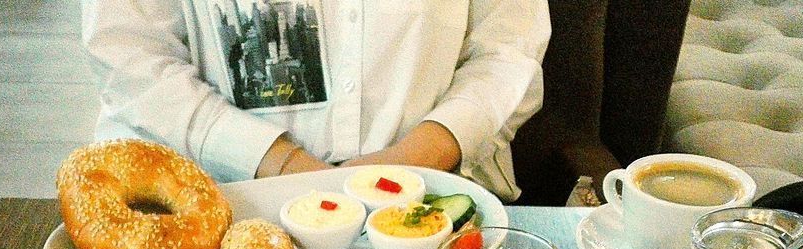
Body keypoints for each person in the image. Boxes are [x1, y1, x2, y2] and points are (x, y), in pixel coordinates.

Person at [80, 0, 549, 200]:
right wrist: (282, 164)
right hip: (213, 203)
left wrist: (409, 161)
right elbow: (129, 54)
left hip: (431, 200)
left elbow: (507, 50)